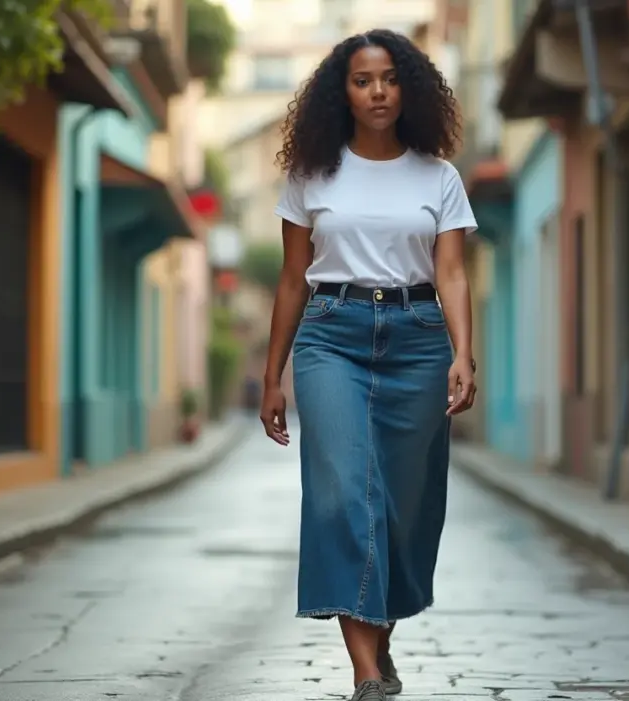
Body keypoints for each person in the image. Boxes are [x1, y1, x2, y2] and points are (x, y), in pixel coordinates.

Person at [259, 28, 478, 701]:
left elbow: (451, 271)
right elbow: (294, 278)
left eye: (388, 78)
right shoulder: (311, 175)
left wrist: (463, 351)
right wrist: (274, 375)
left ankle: (377, 635)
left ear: (407, 87)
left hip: (417, 339)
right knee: (341, 492)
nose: (377, 90)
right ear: (342, 92)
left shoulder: (438, 177)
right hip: (332, 337)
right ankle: (367, 672)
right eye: (362, 80)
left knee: (405, 507)